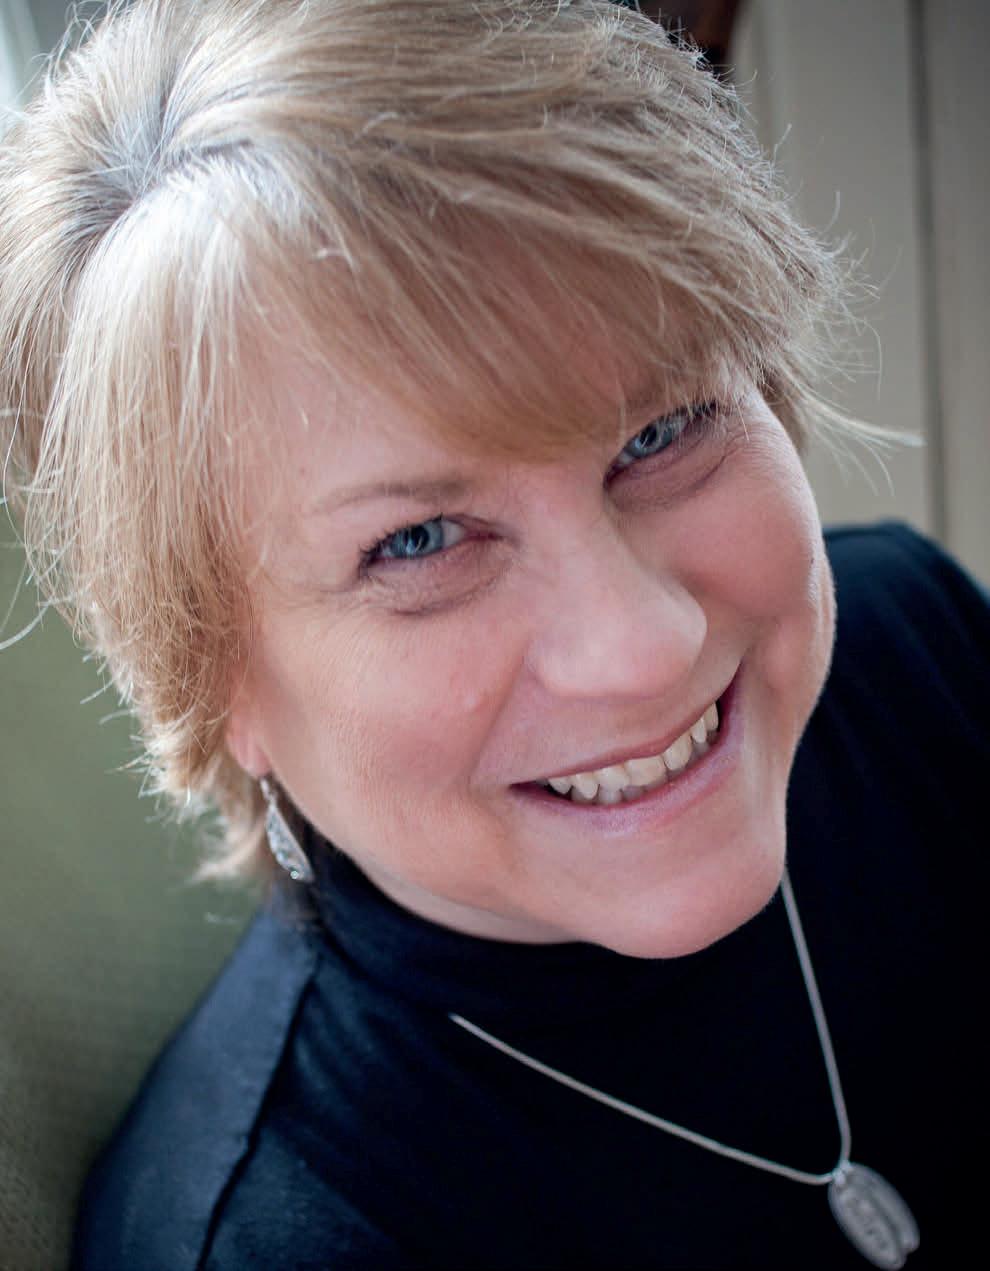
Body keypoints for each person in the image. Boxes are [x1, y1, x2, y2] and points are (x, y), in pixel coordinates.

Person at [0, 1, 985, 1267]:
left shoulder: (920, 649)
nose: (643, 645)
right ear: (212, 673)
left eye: (663, 428)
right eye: (418, 540)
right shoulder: (286, 1242)